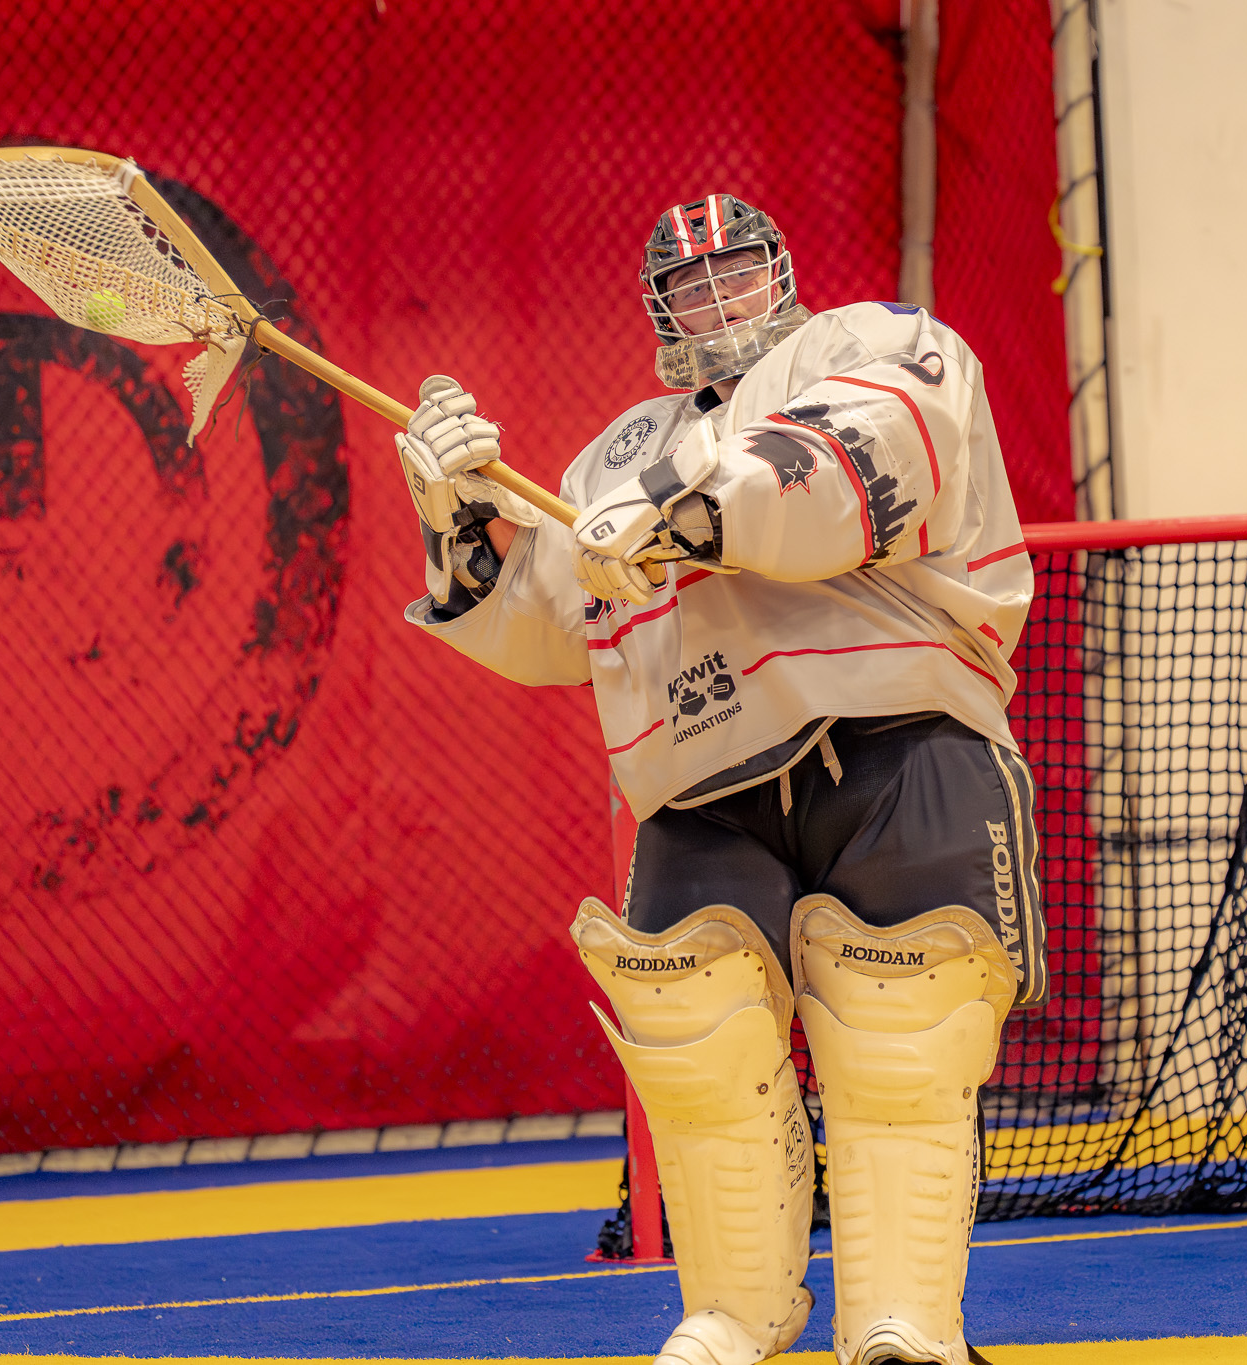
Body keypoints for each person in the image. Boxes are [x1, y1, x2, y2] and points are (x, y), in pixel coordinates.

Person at [397, 195, 1044, 1365]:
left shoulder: (874, 342)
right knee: (695, 1047)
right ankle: (737, 1312)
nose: (714, 298)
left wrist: (681, 507)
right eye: (688, 285)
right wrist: (469, 530)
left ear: (777, 272)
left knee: (901, 1042)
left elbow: (860, 467)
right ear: (659, 309)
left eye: (733, 273)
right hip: (697, 780)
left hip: (894, 732)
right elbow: (554, 628)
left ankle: (905, 1322)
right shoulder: (614, 452)